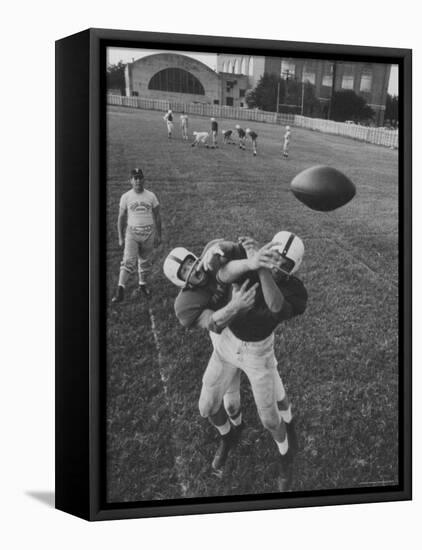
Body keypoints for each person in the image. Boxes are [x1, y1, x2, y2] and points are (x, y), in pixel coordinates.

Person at [164, 233, 307, 490]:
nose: (275, 264)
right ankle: (229, 437)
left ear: (294, 267)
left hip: (258, 351)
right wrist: (247, 268)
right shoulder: (187, 302)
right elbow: (225, 272)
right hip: (227, 343)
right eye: (273, 256)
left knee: (270, 419)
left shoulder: (296, 291)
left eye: (283, 263)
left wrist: (258, 266)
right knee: (207, 406)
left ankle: (285, 456)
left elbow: (274, 305)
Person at [112, 168, 162, 303]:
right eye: (135, 178)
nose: (138, 181)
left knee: (145, 261)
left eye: (140, 178)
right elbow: (121, 218)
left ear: (143, 179)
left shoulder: (151, 196)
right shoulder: (126, 197)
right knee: (128, 261)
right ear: (131, 181)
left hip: (148, 234)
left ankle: (142, 285)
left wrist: (159, 235)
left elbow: (157, 216)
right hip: (132, 234)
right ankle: (120, 290)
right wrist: (121, 237)